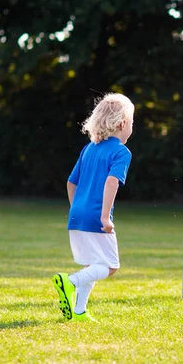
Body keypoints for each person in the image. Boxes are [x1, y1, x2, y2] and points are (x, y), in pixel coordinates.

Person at [52, 93, 135, 322]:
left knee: (93, 264)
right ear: (122, 123)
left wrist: (76, 209)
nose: (131, 128)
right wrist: (105, 217)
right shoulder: (121, 152)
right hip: (97, 217)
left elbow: (71, 183)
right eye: (132, 123)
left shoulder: (89, 148)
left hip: (77, 215)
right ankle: (70, 282)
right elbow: (112, 181)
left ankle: (79, 311)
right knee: (110, 266)